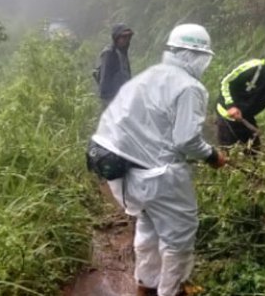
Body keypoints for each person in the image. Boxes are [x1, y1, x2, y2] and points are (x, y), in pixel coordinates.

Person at [89, 24, 227, 296]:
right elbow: (187, 140)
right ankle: (172, 290)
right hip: (159, 176)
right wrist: (213, 156)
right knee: (180, 236)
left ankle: (146, 285)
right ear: (196, 56)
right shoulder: (190, 87)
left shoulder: (152, 75)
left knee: (148, 227)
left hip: (125, 173)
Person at [96, 23, 133, 108]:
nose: (126, 39)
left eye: (128, 37)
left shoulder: (122, 52)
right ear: (116, 37)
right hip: (112, 98)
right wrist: (107, 100)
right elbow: (105, 77)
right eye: (123, 37)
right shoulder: (109, 53)